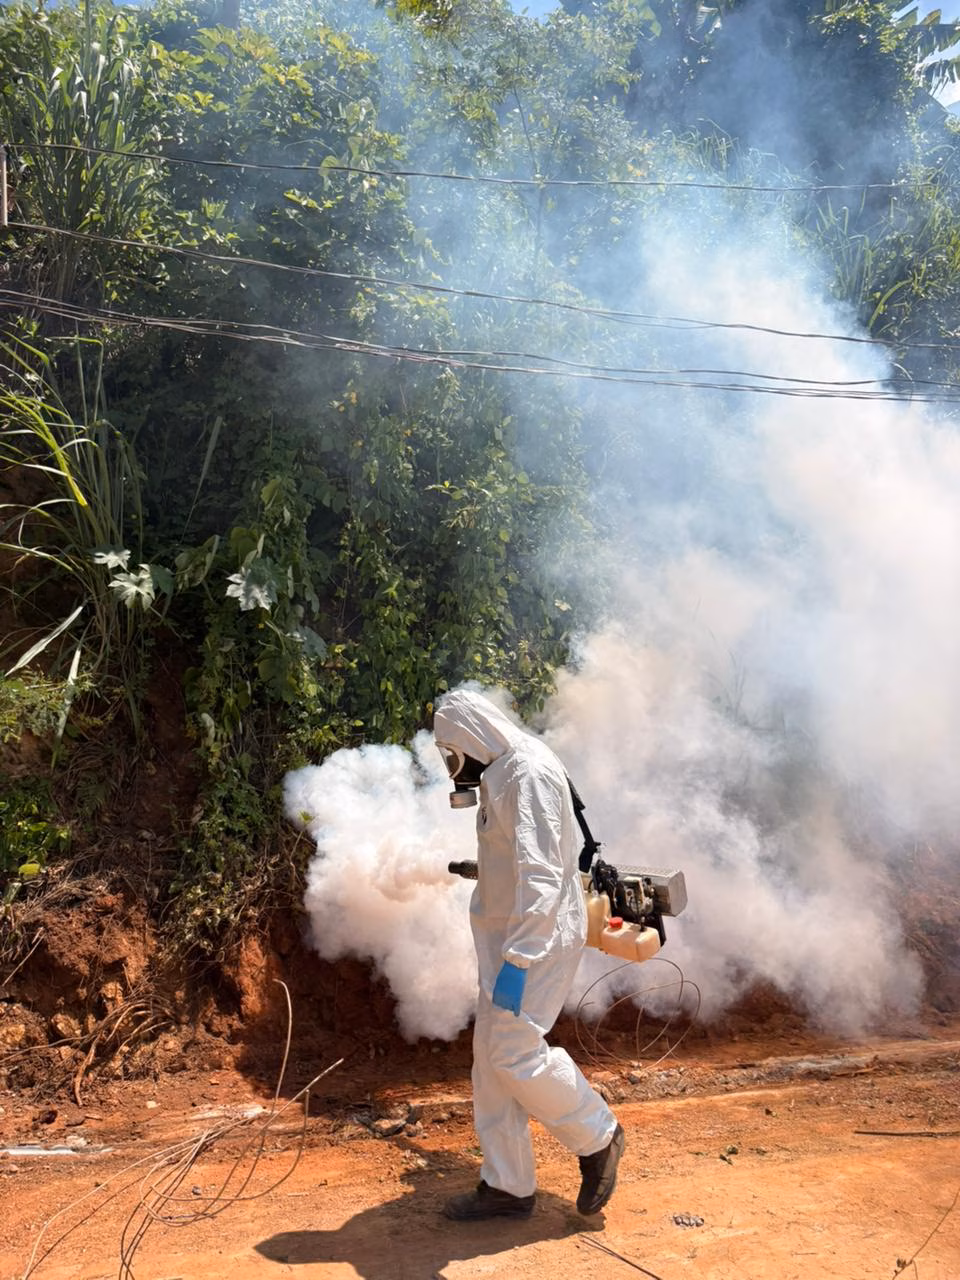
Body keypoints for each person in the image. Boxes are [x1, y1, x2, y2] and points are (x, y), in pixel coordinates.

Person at [433, 687, 624, 1221]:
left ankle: (599, 1136)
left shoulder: (527, 774)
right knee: (491, 1062)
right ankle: (508, 1185)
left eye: (452, 751)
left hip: (532, 942)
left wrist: (520, 960)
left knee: (514, 1052)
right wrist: (487, 870)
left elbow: (542, 878)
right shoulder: (502, 772)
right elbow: (525, 857)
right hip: (510, 938)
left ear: (470, 736)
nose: (454, 765)